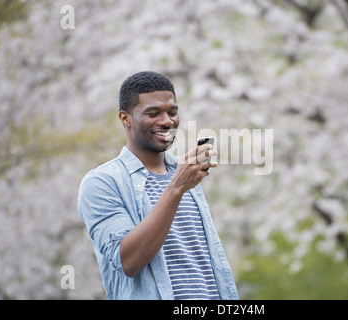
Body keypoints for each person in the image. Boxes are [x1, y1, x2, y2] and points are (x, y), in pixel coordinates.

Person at [77, 71, 239, 300]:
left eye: (172, 112)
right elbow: (129, 261)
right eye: (153, 113)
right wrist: (175, 189)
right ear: (125, 118)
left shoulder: (182, 172)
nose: (166, 121)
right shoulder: (102, 182)